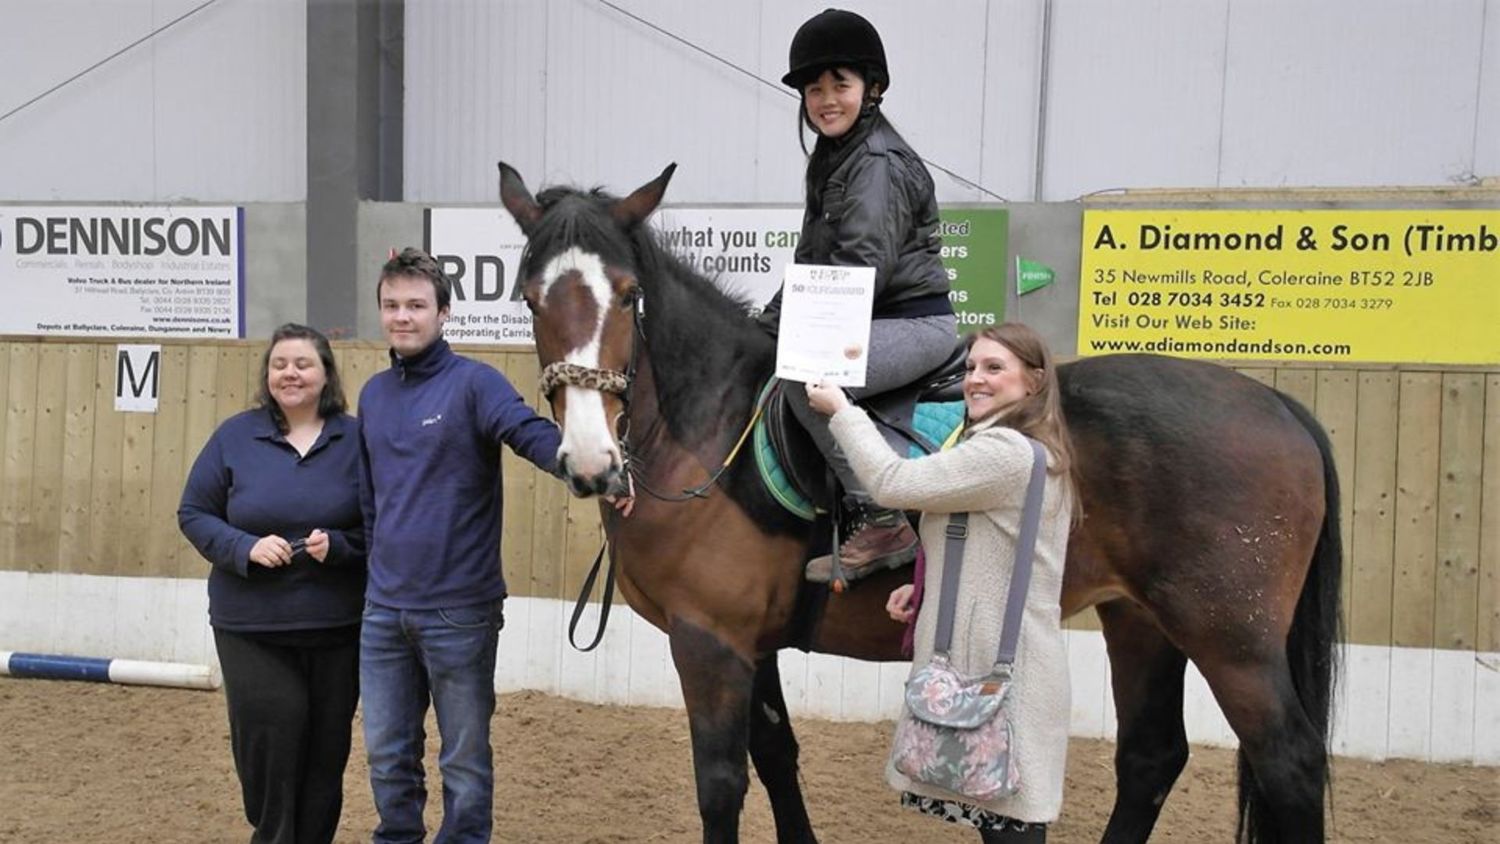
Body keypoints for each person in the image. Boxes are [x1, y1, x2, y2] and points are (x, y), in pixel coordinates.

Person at [806, 323, 1075, 843]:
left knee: (1013, 831)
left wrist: (841, 412)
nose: (976, 379)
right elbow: (986, 540)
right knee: (1003, 826)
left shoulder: (1004, 452)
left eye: (994, 368)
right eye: (971, 367)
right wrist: (927, 586)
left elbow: (892, 483)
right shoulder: (1022, 447)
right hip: (1005, 668)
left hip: (1006, 677)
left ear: (1035, 381)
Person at [358, 247, 562, 843]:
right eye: (392, 305)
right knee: (386, 755)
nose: (402, 316)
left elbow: (528, 433)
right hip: (383, 611)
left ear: (444, 313)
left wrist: (585, 467)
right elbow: (370, 501)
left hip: (459, 612)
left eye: (416, 305)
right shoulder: (372, 395)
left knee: (464, 761)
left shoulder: (476, 383)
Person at [758, 7, 958, 582]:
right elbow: (809, 262)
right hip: (868, 317)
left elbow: (858, 269)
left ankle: (882, 517)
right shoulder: (835, 156)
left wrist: (794, 342)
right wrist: (765, 326)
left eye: (839, 85)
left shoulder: (876, 162)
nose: (826, 100)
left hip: (911, 325)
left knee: (806, 381)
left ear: (872, 89)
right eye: (814, 89)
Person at [178, 323, 366, 844]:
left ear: (326, 374)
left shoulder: (358, 440)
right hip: (251, 626)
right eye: (279, 364)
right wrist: (245, 547)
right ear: (267, 374)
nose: (290, 373)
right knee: (273, 735)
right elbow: (194, 513)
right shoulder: (235, 437)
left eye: (303, 364)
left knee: (327, 752)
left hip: (338, 626)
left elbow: (382, 525)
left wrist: (341, 546)